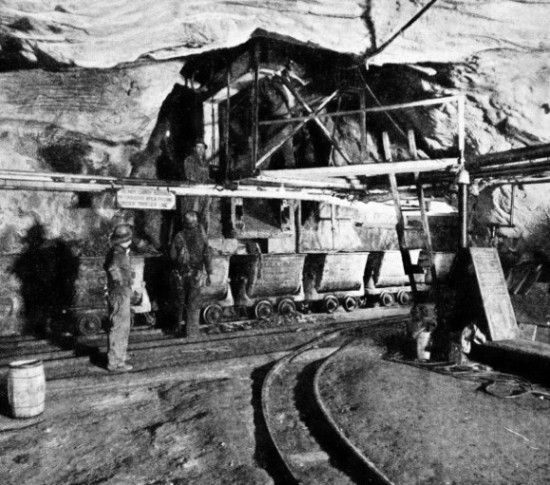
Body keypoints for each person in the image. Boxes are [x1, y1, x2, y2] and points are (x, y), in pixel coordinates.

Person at [170, 211, 214, 337]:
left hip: (180, 275)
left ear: (185, 222)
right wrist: (210, 273)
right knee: (193, 303)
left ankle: (178, 329)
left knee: (179, 302)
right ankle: (192, 332)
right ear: (196, 222)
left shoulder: (179, 236)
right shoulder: (202, 236)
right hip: (196, 275)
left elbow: (172, 256)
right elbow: (207, 255)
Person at [104, 223, 134, 372]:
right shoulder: (118, 254)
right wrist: (121, 283)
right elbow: (112, 268)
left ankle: (120, 353)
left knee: (122, 325)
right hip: (119, 293)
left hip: (119, 293)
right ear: (127, 239)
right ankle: (115, 362)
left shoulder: (118, 251)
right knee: (119, 326)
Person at [179, 139, 212, 234]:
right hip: (194, 194)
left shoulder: (206, 162)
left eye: (202, 147)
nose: (201, 149)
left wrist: (209, 181)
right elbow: (189, 175)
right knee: (193, 215)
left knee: (205, 216)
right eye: (198, 147)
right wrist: (201, 181)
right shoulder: (189, 160)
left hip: (204, 194)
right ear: (194, 149)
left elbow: (208, 175)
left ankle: (203, 237)